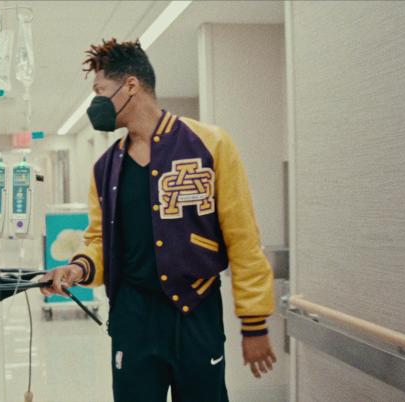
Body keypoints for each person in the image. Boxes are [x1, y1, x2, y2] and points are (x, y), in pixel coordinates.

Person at [42, 39, 277, 402]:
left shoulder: (209, 145)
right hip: (132, 320)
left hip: (195, 314)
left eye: (100, 91)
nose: (96, 103)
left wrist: (254, 322)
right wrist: (77, 269)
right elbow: (100, 241)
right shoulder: (105, 168)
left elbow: (243, 238)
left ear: (130, 86)